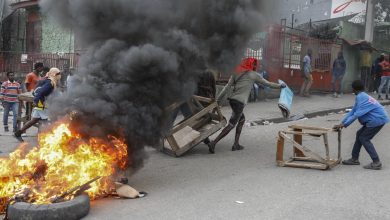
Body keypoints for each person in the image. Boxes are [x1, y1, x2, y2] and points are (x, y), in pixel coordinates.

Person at [207, 58, 285, 153]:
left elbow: (226, 87)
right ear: (251, 65)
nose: (255, 67)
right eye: (254, 65)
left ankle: (236, 144)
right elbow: (267, 84)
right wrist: (280, 86)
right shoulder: (253, 75)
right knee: (231, 124)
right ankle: (213, 143)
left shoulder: (236, 73)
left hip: (232, 101)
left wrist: (217, 100)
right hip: (239, 103)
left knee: (242, 119)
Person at [333, 80, 389, 170]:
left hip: (377, 120)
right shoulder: (362, 96)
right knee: (359, 134)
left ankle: (376, 162)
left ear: (354, 89)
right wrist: (342, 123)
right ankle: (354, 159)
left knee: (364, 138)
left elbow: (356, 115)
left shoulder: (361, 97)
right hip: (377, 119)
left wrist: (344, 125)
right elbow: (353, 111)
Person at [14, 68, 62, 141]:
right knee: (48, 121)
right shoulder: (50, 83)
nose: (59, 76)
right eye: (58, 74)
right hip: (42, 104)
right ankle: (47, 138)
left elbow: (34, 91)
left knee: (34, 120)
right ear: (54, 74)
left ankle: (18, 133)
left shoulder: (45, 80)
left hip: (40, 103)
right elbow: (40, 93)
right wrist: (37, 102)